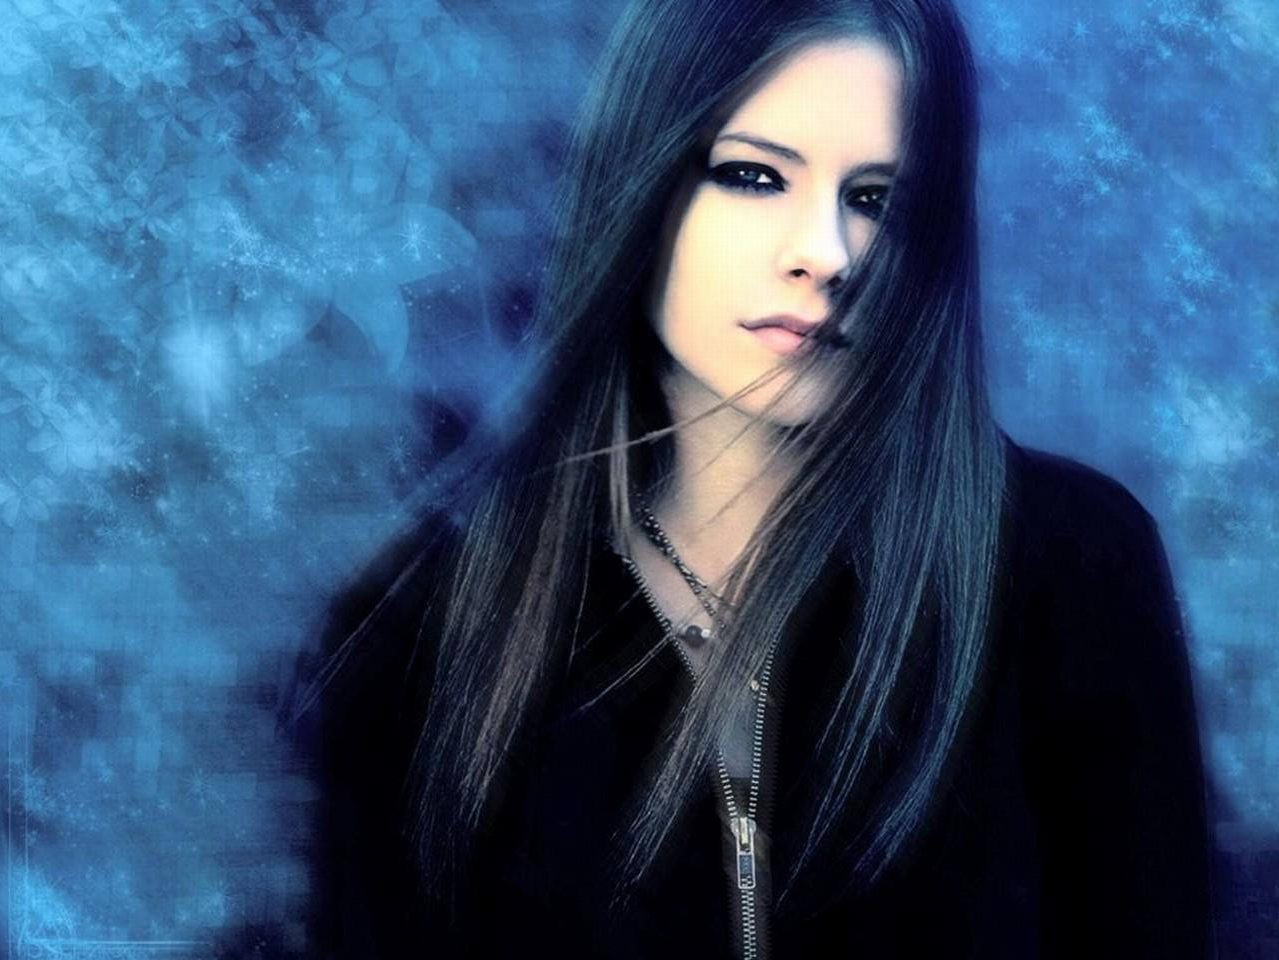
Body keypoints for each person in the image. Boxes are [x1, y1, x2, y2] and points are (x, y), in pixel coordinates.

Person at [285, 0, 1214, 956]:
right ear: (642, 184)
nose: (828, 254)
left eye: (877, 200)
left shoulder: (1069, 565)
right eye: (754, 176)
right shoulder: (416, 634)